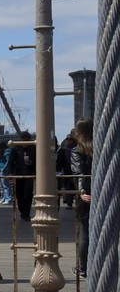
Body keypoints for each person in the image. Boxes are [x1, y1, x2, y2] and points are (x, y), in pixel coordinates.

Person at [72, 118, 92, 277]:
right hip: (103, 190)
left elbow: (79, 172)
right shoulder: (101, 146)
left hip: (87, 194)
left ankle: (84, 268)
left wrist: (82, 192)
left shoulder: (77, 150)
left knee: (85, 230)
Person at [7, 131, 34, 222]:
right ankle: (22, 211)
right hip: (18, 174)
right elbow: (10, 162)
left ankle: (26, 213)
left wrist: (32, 162)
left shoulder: (33, 148)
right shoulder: (16, 149)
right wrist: (10, 173)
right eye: (23, 139)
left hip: (29, 174)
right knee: (19, 194)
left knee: (28, 194)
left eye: (27, 139)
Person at [57, 133, 78, 209]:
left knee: (73, 187)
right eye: (68, 139)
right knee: (70, 187)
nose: (69, 141)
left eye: (70, 139)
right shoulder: (64, 150)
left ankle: (72, 203)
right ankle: (71, 203)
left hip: (72, 171)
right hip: (69, 171)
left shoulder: (73, 149)